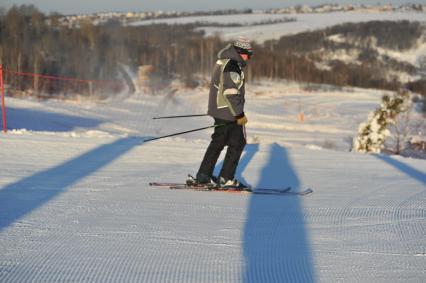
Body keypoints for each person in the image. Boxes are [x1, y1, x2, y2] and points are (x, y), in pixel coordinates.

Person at [191, 36, 253, 189]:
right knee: (237, 143)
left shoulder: (226, 61)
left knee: (218, 143)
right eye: (248, 54)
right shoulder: (232, 66)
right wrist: (240, 115)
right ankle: (225, 178)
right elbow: (231, 92)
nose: (249, 57)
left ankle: (204, 176)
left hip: (221, 110)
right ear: (241, 52)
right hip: (229, 112)